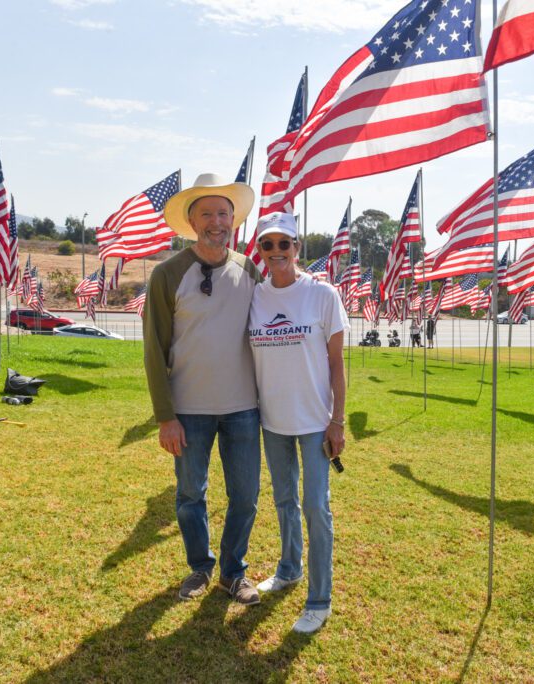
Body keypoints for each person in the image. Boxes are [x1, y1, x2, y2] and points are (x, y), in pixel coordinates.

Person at [144, 173, 263, 606]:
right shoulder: (168, 274)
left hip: (244, 409)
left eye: (223, 213)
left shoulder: (249, 269)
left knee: (246, 496)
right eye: (207, 213)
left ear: (233, 219)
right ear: (192, 222)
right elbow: (154, 350)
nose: (217, 221)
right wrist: (164, 416)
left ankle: (234, 573)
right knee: (191, 494)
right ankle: (200, 566)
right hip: (188, 411)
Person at [247, 212, 347, 634]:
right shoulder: (255, 297)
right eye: (267, 245)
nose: (275, 253)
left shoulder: (323, 296)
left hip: (313, 422)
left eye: (283, 244)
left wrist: (337, 421)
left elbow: (337, 365)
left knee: (315, 507)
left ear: (297, 248)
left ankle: (319, 600)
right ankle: (289, 569)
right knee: (284, 501)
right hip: (273, 421)